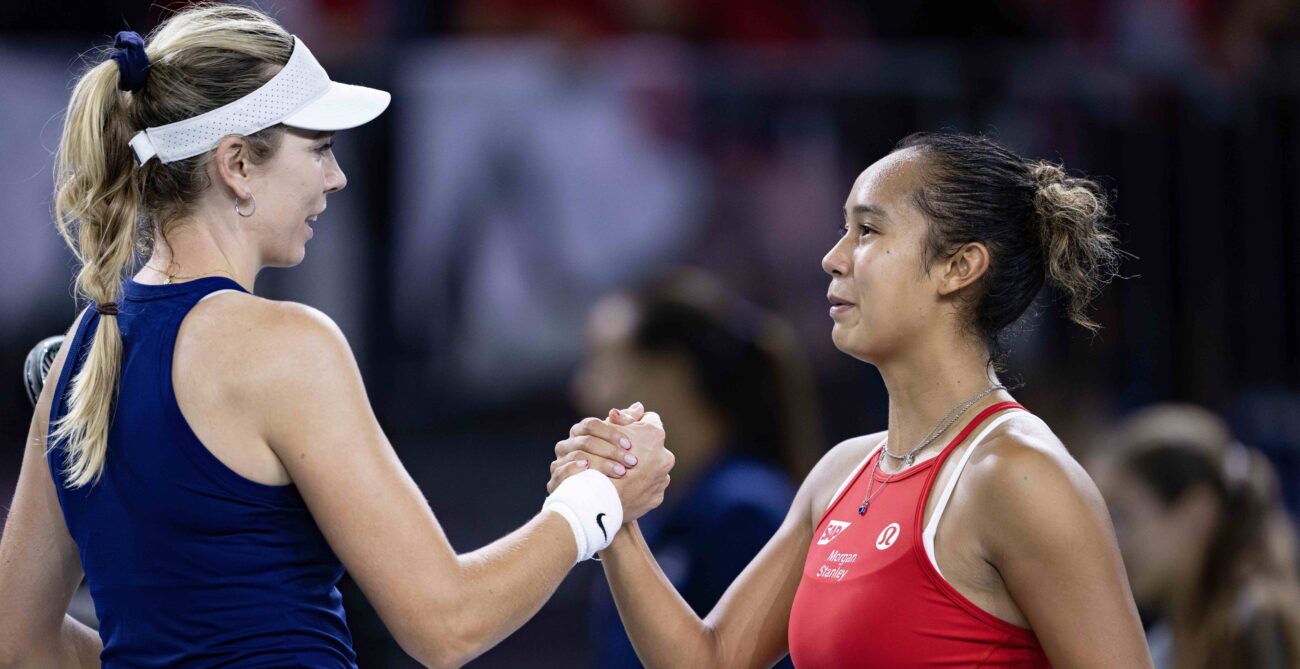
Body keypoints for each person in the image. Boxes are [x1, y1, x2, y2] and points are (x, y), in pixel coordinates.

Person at [0, 5, 672, 668]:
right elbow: (447, 622)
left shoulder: (80, 359)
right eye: (318, 147)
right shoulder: (287, 348)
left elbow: (18, 639)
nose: (335, 176)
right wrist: (598, 500)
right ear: (236, 163)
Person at [551, 131, 1155, 666]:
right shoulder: (839, 475)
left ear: (959, 266)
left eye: (867, 231)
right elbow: (711, 660)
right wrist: (616, 518)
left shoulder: (1018, 476)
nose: (832, 257)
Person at [572, 269, 821, 668]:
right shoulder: (654, 512)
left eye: (604, 364)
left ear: (668, 375)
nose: (582, 389)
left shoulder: (747, 512)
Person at [1093, 403, 1300, 669]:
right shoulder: (1163, 641)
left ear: (1195, 514)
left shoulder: (1256, 626)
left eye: (1123, 518)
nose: (1115, 542)